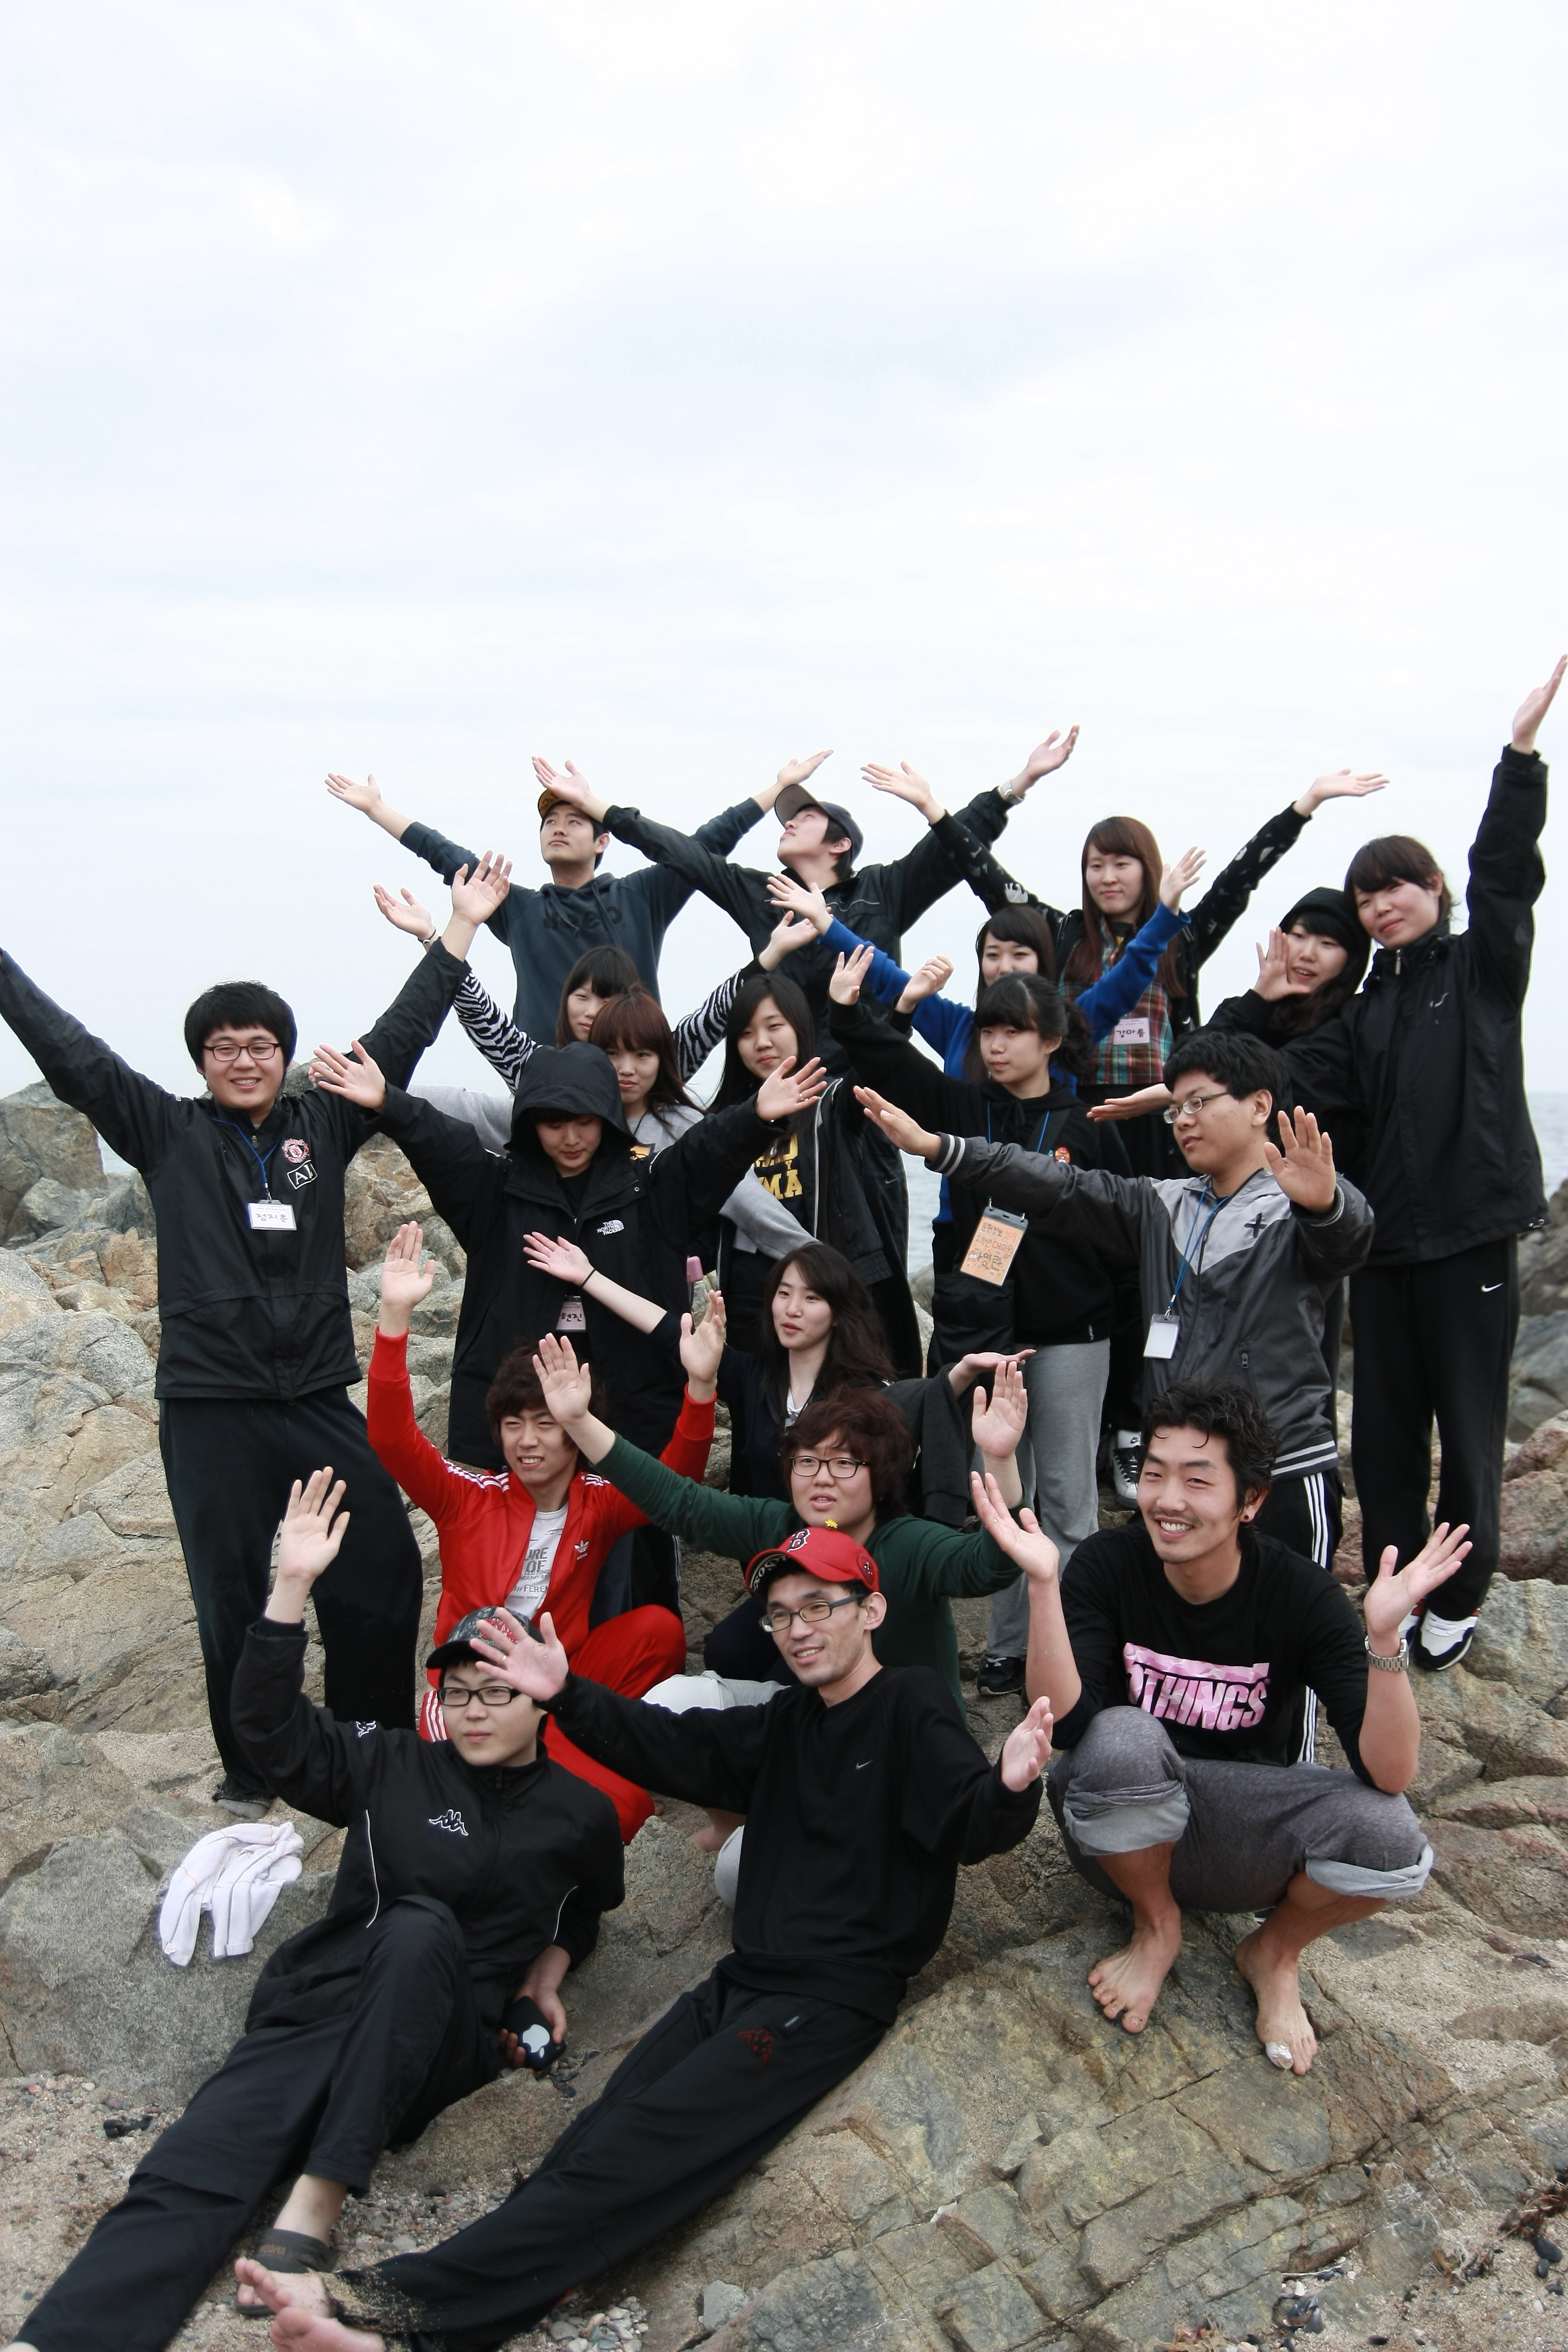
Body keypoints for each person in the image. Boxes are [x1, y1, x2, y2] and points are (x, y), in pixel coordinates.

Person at [230, 1532, 1051, 2352]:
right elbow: (667, 1745)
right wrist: (565, 1693)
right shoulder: (789, 1719)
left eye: (818, 1607)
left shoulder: (910, 1703)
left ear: (871, 1612)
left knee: (631, 2151)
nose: (798, 1629)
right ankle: (461, 2317)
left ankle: (385, 2312)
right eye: (780, 1615)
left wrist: (1009, 1787)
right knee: (594, 2137)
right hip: (743, 1981)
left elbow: (966, 1821)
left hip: (825, 2002)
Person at [7, 1472, 624, 2352]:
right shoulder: (394, 1764)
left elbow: (584, 1909)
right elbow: (270, 1731)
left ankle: (318, 2201)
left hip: (440, 2040)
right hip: (327, 2004)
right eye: (457, 1692)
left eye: (497, 1691)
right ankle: (64, 2338)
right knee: (202, 2152)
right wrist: (291, 1587)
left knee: (420, 1927)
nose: (473, 1711)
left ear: (541, 1697)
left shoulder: (579, 1814)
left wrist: (546, 1978)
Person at [0, 859, 509, 1814]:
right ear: (201, 1060)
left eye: (262, 1045)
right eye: (225, 1047)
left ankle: (366, 1744)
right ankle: (254, 1767)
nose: (245, 1060)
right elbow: (73, 1055)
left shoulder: (324, 1122)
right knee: (230, 1594)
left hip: (315, 1397)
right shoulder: (165, 1131)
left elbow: (401, 1035)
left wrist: (459, 929)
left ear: (286, 1055)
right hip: (210, 1408)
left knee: (380, 1564)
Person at [1202, 661, 1562, 1668]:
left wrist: (1520, 757)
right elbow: (1271, 1073)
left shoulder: (1481, 971)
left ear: (1432, 890)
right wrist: (1254, 1012)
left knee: (1470, 1426)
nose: (1378, 905)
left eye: (1394, 886)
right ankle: (1397, 1583)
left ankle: (1462, 1590)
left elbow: (1507, 873)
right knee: (1388, 1436)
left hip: (1472, 1235)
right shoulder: (1360, 1017)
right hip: (1386, 1248)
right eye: (1364, 896)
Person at [971, 1380, 1467, 2074]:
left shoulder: (1301, 1595)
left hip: (1247, 1839)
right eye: (1154, 1474)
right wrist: (1043, 1586)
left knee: (1391, 1836)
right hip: (1120, 1826)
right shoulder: (1108, 1565)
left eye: (1197, 1481)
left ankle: (1274, 1952)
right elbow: (1068, 1722)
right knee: (1118, 1737)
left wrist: (1382, 1641)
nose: (1167, 1500)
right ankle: (1156, 1925)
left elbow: (1388, 1774)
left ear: (1251, 1501)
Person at [857, 1028, 1372, 1592]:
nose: (1182, 1122)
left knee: (1288, 1631)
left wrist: (1325, 1206)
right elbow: (1058, 1184)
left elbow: (1347, 1241)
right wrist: (941, 1149)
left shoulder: (1301, 1202)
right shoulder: (1165, 1203)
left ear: (1259, 1106)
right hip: (1180, 1473)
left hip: (1279, 1470)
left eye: (1198, 1103)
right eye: (1175, 1109)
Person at [831, 955, 1131, 1697]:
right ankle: (1007, 1647)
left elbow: (1125, 1236)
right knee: (1004, 1496)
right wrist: (847, 1010)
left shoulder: (1086, 1125)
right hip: (990, 1337)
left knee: (1067, 1498)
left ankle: (1074, 1644)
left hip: (1073, 1334)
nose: (995, 1046)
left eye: (1013, 1032)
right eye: (989, 1031)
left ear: (1051, 1040)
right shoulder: (967, 1109)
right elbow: (889, 1062)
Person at [366, 1223, 727, 1838]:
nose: (526, 1441)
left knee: (659, 1631)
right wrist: (394, 1317)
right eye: (512, 1425)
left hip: (558, 1675)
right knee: (626, 1810)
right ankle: (529, 1771)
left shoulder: (597, 1501)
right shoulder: (467, 1496)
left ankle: (565, 1746)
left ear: (576, 1429)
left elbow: (675, 1488)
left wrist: (700, 1387)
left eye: (545, 1423)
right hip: (476, 1688)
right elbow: (393, 1439)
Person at [525, 1335, 1029, 1708]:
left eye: (844, 1464)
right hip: (821, 1718)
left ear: (882, 1477)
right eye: (806, 1462)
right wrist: (578, 1422)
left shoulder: (909, 1542)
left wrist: (1000, 1459)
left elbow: (989, 1566)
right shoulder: (782, 1523)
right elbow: (680, 1503)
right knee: (687, 1692)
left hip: (911, 1735)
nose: (820, 1478)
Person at [324, 752, 821, 1038]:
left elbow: (706, 844)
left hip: (631, 1078)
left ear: (603, 841)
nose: (558, 828)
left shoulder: (643, 896)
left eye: (574, 821)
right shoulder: (516, 907)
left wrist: (777, 788)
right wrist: (378, 810)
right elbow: (443, 854)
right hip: (543, 1082)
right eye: (550, 822)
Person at [1093, 885, 1374, 1384]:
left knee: (1294, 1362)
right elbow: (1191, 1060)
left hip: (1302, 1223)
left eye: (1328, 944)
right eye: (1298, 935)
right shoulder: (1260, 1015)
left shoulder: (1350, 1026)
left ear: (1352, 960)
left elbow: (1272, 1073)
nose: (1307, 953)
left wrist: (1166, 1095)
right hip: (1221, 1209)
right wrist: (1259, 999)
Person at [704, 967, 921, 1368]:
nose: (762, 1042)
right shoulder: (724, 1123)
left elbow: (873, 1072)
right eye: (747, 1033)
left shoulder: (828, 1106)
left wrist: (903, 1010)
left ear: (800, 1028)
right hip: (750, 1298)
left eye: (774, 1026)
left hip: (822, 1293)